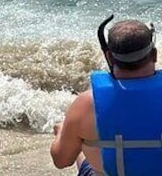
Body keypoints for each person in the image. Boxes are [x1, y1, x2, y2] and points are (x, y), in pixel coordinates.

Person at [51, 18, 162, 176]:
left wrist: (62, 132)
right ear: (155, 55)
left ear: (109, 57)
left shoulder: (87, 104)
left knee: (83, 145)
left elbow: (62, 160)